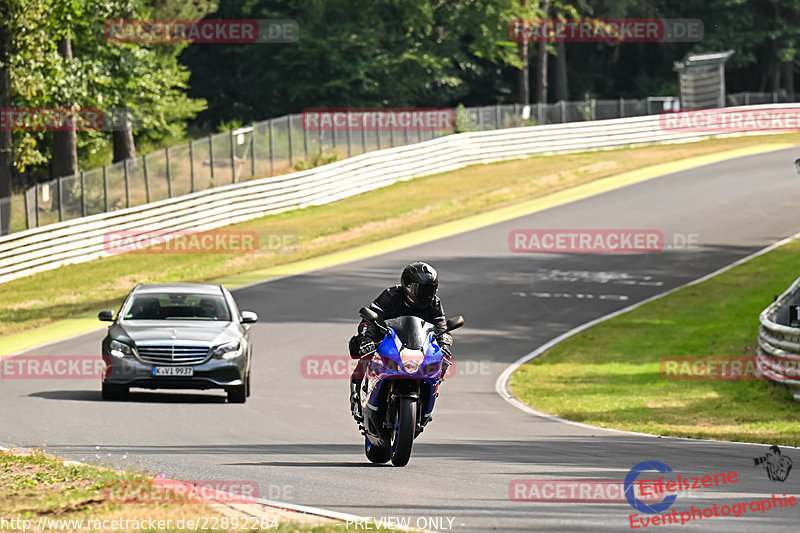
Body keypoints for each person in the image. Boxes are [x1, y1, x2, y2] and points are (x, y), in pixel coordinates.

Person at [348, 262, 453, 421]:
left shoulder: (434, 303)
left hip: (418, 347)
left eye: (430, 290)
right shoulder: (390, 296)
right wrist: (366, 339)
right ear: (408, 285)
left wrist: (444, 344)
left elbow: (441, 326)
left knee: (441, 362)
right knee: (363, 354)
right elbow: (369, 320)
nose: (426, 295)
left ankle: (426, 402)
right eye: (421, 289)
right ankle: (357, 398)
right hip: (387, 342)